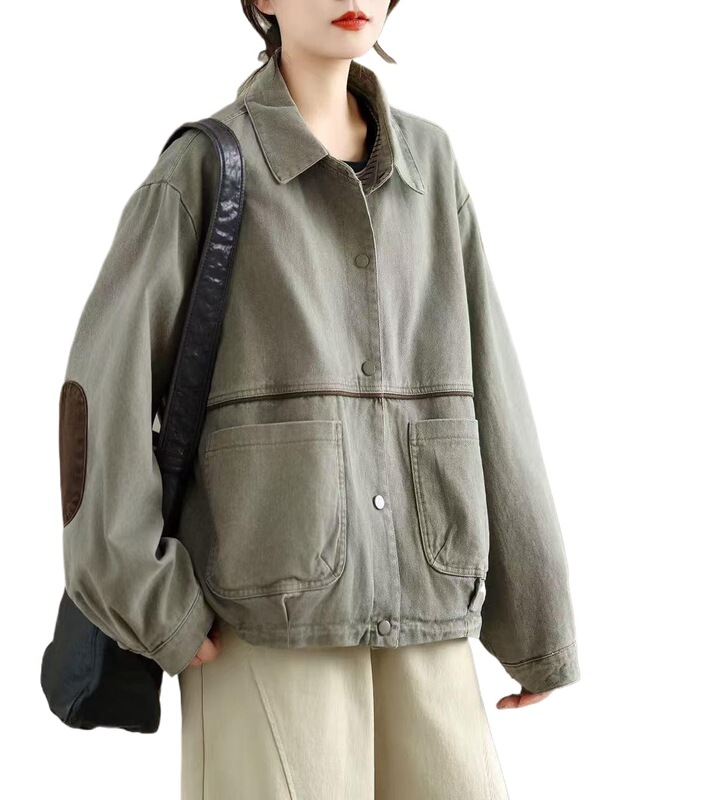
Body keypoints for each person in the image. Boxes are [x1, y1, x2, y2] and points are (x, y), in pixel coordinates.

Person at [57, 1, 580, 797]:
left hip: (427, 605)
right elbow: (100, 395)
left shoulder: (433, 167)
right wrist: (158, 607)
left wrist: (537, 623)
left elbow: (494, 388)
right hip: (264, 624)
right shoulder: (205, 169)